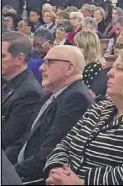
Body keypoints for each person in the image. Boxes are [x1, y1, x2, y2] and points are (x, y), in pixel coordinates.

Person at [43, 49, 123, 185]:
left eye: (120, 68)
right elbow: (64, 145)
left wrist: (81, 182)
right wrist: (56, 169)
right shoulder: (99, 108)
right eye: (113, 67)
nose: (110, 73)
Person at [4, 46, 93, 183]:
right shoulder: (50, 96)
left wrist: (11, 173)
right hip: (22, 170)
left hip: (38, 177)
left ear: (69, 68)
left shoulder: (76, 98)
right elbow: (24, 141)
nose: (41, 68)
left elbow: (49, 152)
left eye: (49, 62)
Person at [2, 32, 43, 150]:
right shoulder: (5, 80)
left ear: (19, 59)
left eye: (2, 56)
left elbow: (8, 138)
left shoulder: (29, 93)